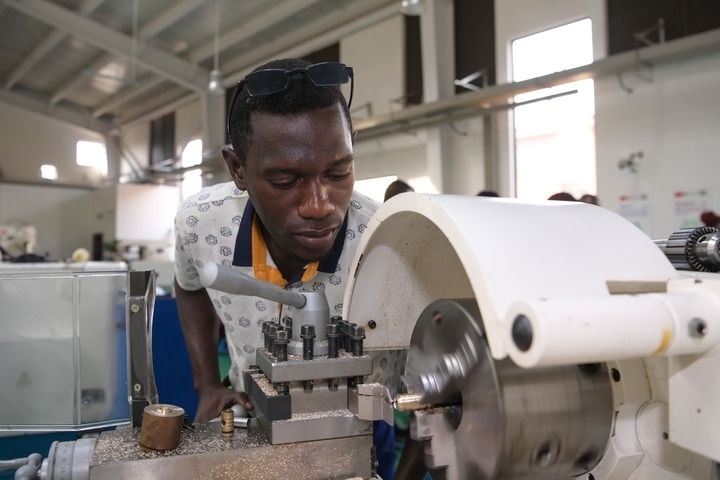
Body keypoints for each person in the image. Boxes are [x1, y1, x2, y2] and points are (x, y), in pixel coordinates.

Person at [173, 58, 395, 478]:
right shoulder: (202, 224)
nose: (319, 206)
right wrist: (207, 383)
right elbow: (189, 285)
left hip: (360, 420)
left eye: (338, 172)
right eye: (285, 181)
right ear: (238, 168)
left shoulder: (384, 238)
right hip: (248, 410)